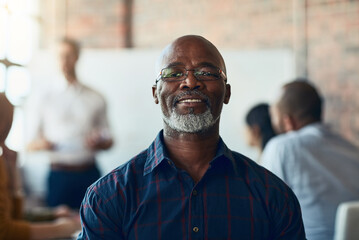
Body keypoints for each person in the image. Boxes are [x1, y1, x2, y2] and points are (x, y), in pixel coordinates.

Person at [77, 35, 305, 239]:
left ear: (227, 93)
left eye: (206, 73)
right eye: (174, 73)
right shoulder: (109, 197)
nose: (190, 82)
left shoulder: (273, 196)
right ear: (156, 93)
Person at [261, 80, 359, 240]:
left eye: (274, 115)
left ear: (288, 122)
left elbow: (263, 214)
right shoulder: (353, 150)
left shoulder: (282, 147)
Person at [27, 38, 113, 209]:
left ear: (77, 57)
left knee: (95, 226)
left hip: (90, 174)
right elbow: (29, 144)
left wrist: (100, 142)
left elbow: (109, 140)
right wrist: (43, 144)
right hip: (59, 175)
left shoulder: (95, 96)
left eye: (68, 55)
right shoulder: (42, 97)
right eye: (60, 56)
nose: (64, 61)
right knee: (59, 230)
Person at [0, 93, 81, 239]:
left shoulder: (4, 160)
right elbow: (4, 231)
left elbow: (13, 216)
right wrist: (61, 228)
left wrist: (52, 214)